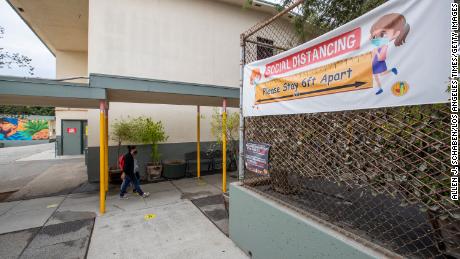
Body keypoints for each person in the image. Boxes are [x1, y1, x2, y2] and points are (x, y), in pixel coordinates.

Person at [369, 13, 410, 95]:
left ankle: (390, 72)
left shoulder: (384, 45)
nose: (377, 38)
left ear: (396, 34)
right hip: (374, 63)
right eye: (375, 36)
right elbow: (372, 42)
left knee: (380, 74)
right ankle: (380, 88)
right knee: (377, 75)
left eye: (382, 34)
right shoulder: (378, 44)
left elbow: (381, 56)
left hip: (379, 62)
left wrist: (376, 51)